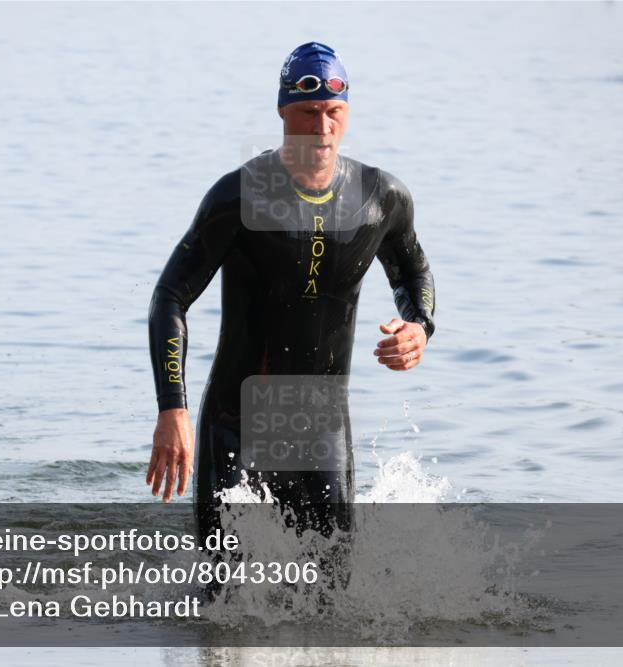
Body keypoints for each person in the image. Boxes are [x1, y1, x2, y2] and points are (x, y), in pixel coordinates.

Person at [146, 42, 436, 542]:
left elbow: (414, 274)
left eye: (333, 112)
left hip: (321, 429)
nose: (322, 129)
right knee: (223, 604)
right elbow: (170, 296)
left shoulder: (380, 198)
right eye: (307, 112)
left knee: (336, 602)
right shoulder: (238, 195)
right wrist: (173, 409)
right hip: (235, 424)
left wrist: (419, 326)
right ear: (282, 110)